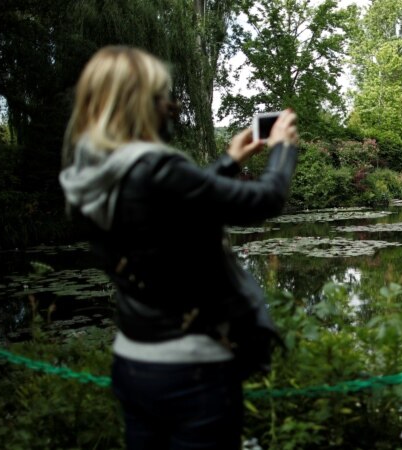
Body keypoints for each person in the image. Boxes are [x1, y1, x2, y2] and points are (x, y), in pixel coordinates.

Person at [58, 46, 298, 449]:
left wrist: (229, 160)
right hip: (193, 372)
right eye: (163, 97)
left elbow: (173, 207)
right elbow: (265, 199)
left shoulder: (89, 175)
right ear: (140, 104)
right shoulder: (156, 167)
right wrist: (284, 150)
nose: (171, 106)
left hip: (133, 363)